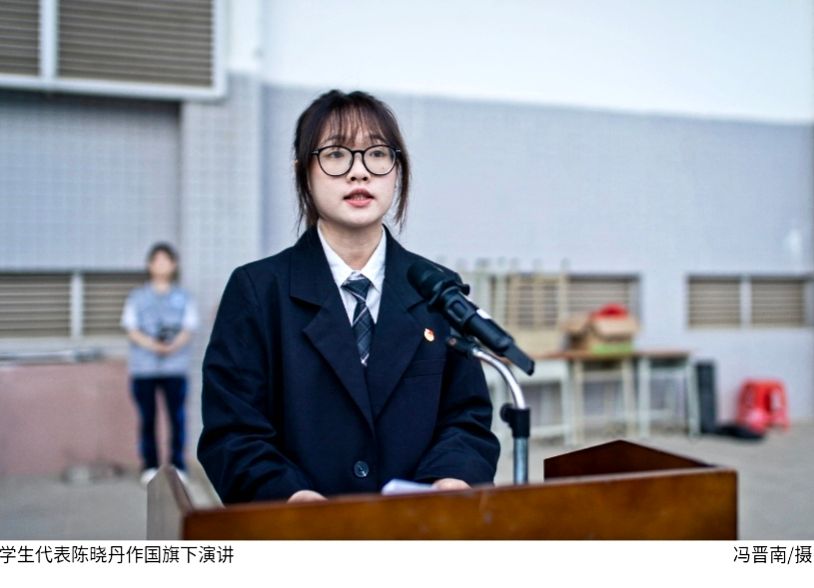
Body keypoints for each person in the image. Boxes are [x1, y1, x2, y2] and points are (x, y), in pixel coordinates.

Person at [198, 90, 500, 504]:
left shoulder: (436, 289)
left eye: (377, 154)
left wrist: (451, 477)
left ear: (397, 170)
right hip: (303, 533)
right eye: (336, 154)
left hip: (417, 528)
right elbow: (233, 433)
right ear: (303, 171)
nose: (359, 172)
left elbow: (466, 418)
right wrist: (290, 497)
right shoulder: (257, 291)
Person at [121, 243, 199, 486]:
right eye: (157, 260)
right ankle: (149, 465)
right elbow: (131, 328)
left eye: (167, 260)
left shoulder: (184, 297)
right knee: (148, 418)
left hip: (175, 368)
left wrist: (173, 345)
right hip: (143, 369)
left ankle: (178, 465)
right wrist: (153, 345)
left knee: (177, 418)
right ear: (149, 265)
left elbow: (189, 327)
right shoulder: (137, 297)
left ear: (174, 265)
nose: (162, 265)